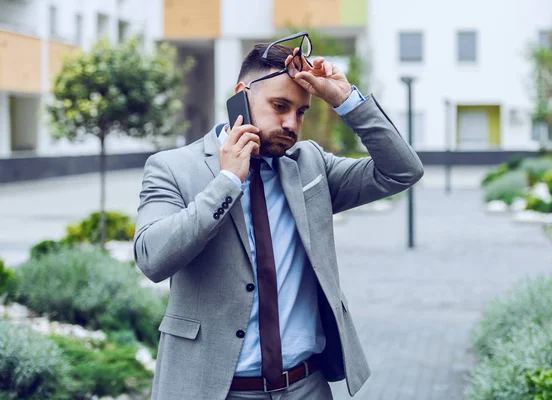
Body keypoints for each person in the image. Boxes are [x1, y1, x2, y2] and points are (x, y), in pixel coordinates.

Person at [134, 32, 424, 400]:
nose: (292, 124)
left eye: (301, 111)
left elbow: (402, 171)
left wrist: (346, 101)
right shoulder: (174, 168)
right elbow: (152, 259)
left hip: (306, 387)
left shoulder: (310, 166)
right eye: (280, 106)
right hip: (217, 391)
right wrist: (226, 182)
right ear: (242, 95)